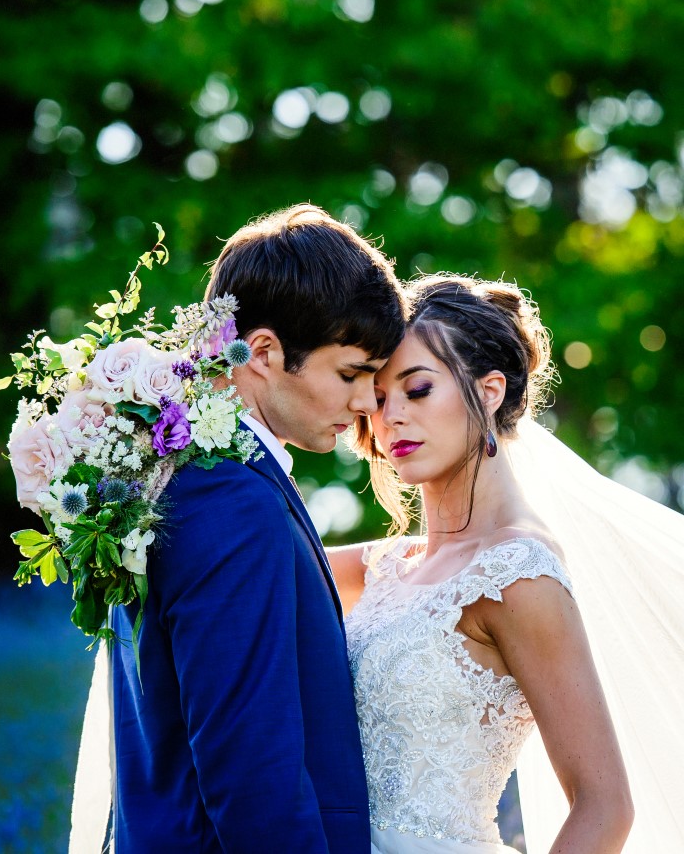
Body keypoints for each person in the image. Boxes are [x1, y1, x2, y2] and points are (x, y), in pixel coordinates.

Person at [73, 204, 407, 853]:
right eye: (351, 374)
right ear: (263, 352)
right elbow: (251, 771)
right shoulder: (230, 499)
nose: (368, 403)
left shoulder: (177, 472)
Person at [328, 273, 684, 854]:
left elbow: (606, 806)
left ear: (489, 391)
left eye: (417, 390)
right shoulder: (385, 567)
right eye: (378, 398)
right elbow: (264, 563)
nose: (391, 418)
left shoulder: (518, 574)